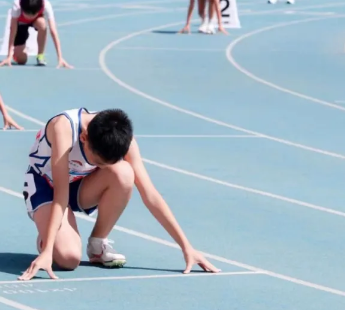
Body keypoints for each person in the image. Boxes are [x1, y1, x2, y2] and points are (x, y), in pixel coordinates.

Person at [18, 108, 219, 280]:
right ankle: (47, 239)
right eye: (97, 162)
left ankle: (97, 244)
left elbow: (150, 195)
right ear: (83, 137)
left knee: (124, 173)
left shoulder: (123, 139)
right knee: (68, 259)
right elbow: (60, 195)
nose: (99, 168)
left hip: (80, 184)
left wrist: (186, 247)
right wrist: (47, 250)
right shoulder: (64, 128)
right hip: (47, 186)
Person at [0, 0, 72, 68]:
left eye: (33, 14)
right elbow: (13, 29)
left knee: (42, 23)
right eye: (27, 14)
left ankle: (40, 55)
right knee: (21, 60)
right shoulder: (17, 5)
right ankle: (20, 49)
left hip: (37, 21)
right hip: (21, 24)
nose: (30, 17)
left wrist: (60, 57)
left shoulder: (46, 5)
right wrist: (9, 56)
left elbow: (53, 31)